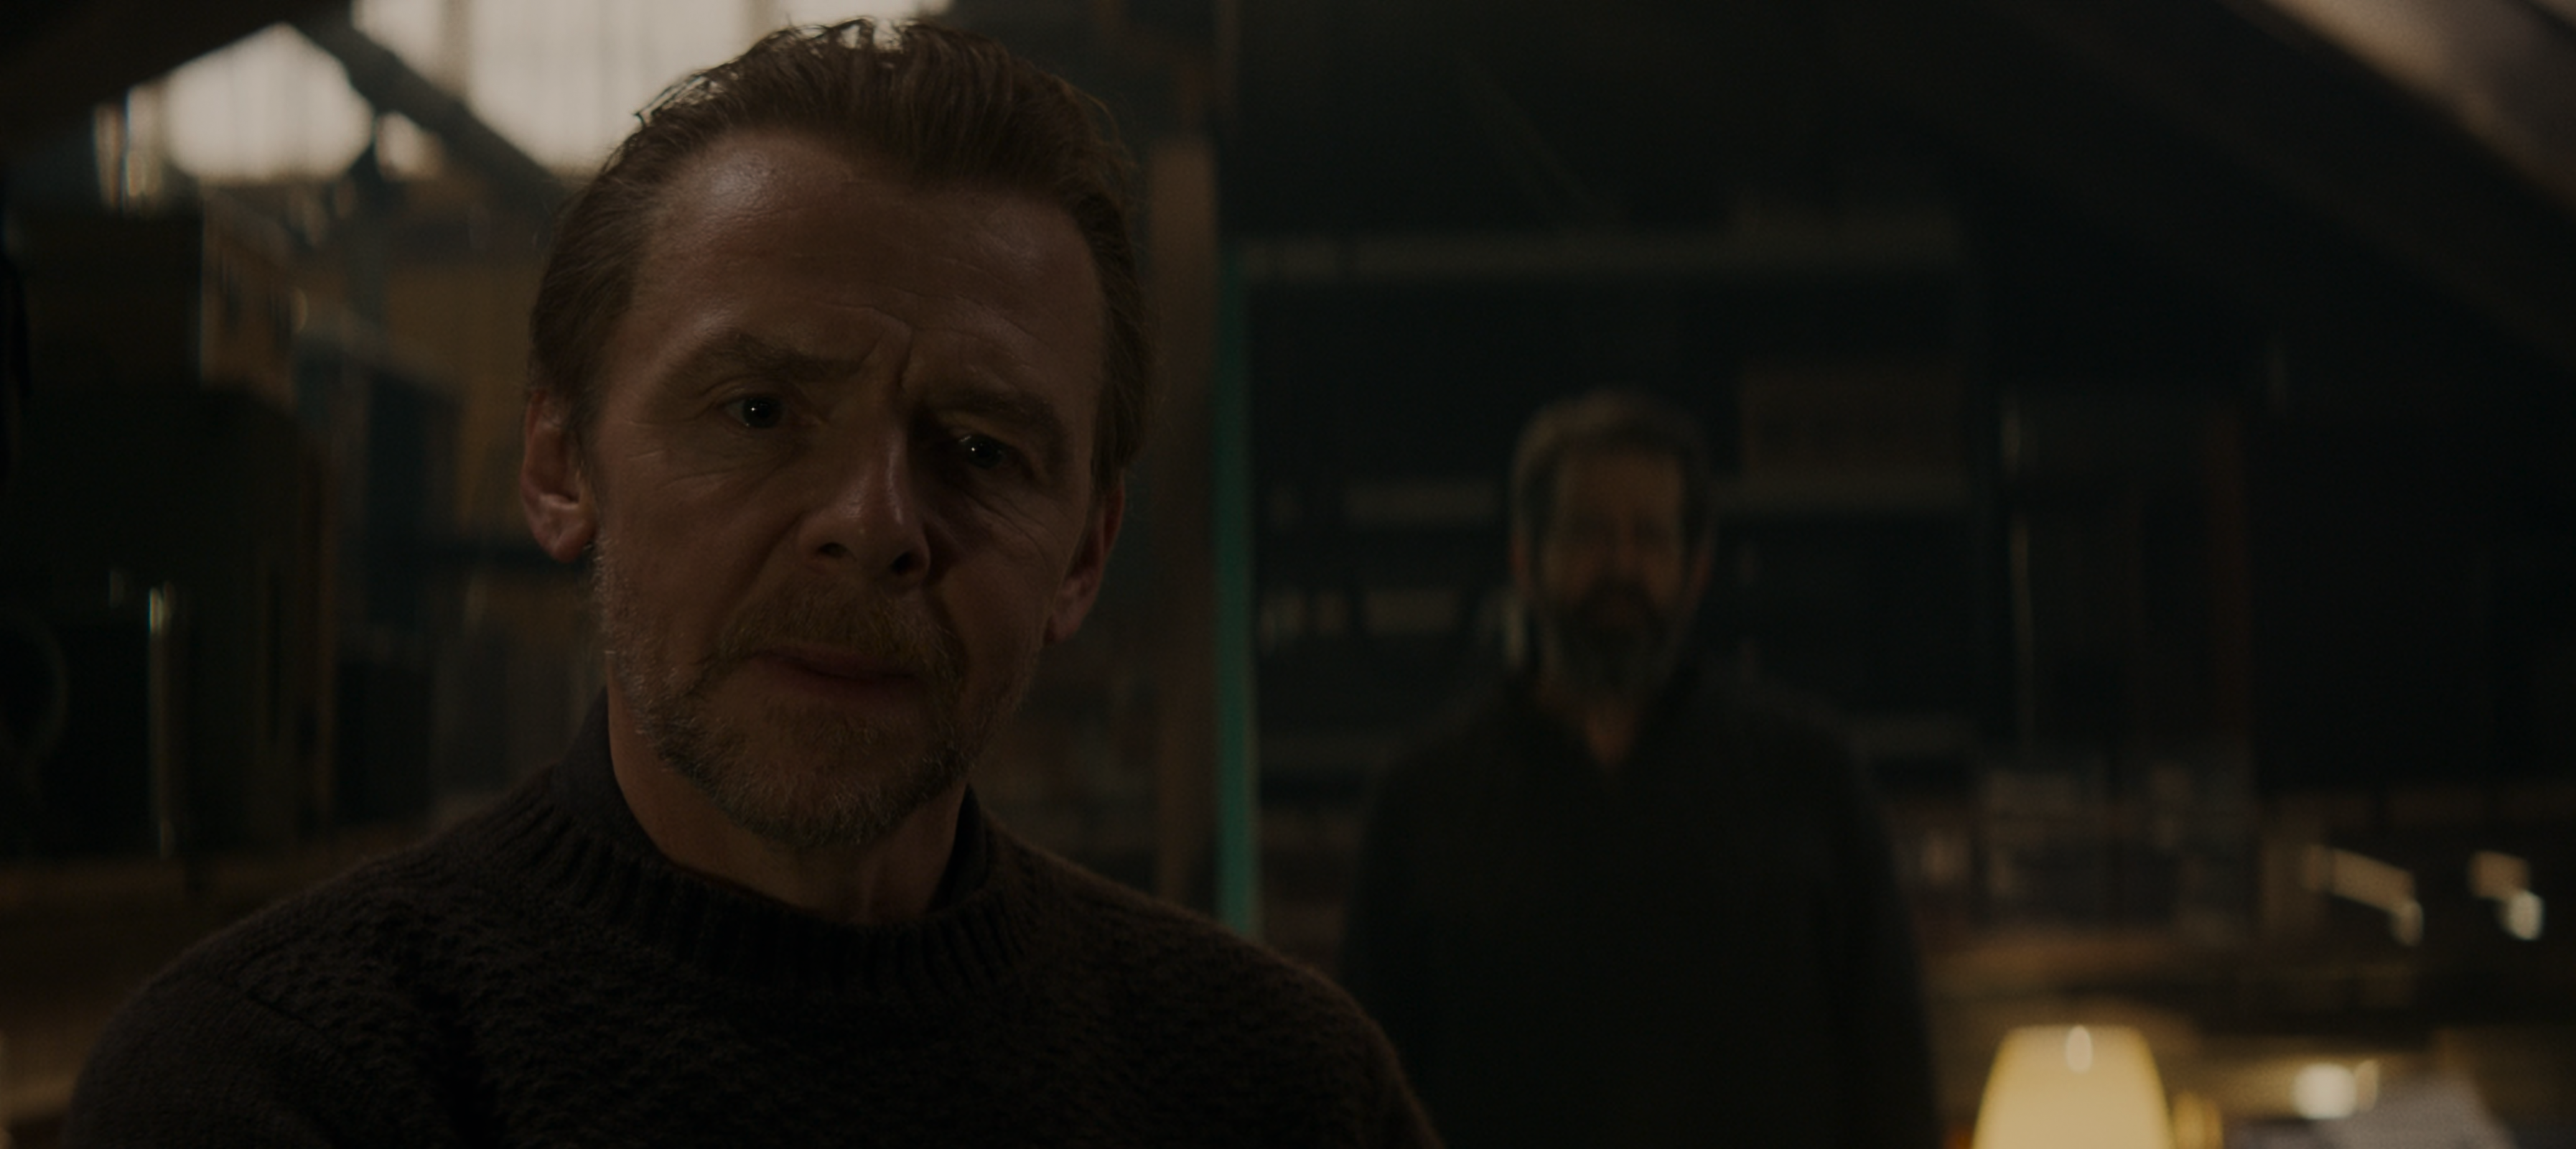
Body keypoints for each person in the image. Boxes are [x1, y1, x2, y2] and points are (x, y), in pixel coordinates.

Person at [67, 21, 1433, 1146]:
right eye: (760, 413)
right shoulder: (277, 1085)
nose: (874, 527)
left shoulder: (1281, 1093)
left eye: (980, 449)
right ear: (561, 466)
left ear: (1082, 554)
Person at [1340, 391, 1940, 1148]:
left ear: (1696, 568)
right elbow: (1364, 1096)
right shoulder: (1424, 797)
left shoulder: (1811, 778)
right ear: (1526, 558)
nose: (1622, 566)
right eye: (1590, 532)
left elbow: (1891, 1079)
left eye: (1650, 536)